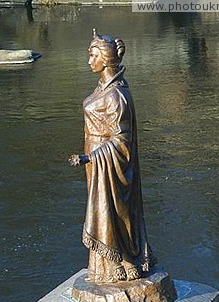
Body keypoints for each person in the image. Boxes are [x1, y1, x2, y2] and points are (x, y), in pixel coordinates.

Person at [69, 30, 156, 283]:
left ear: (105, 60)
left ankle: (124, 260)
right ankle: (103, 266)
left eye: (93, 56)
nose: (89, 61)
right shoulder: (101, 89)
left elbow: (122, 139)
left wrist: (90, 158)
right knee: (100, 208)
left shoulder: (117, 96)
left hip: (106, 161)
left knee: (114, 208)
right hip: (95, 159)